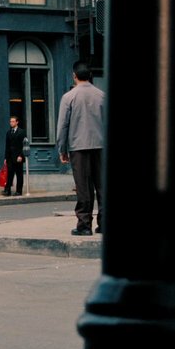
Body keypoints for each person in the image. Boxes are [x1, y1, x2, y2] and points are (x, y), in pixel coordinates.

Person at [56, 61, 105, 236]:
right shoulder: (102, 95)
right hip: (101, 146)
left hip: (78, 147)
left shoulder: (69, 97)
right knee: (102, 185)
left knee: (83, 186)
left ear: (74, 75)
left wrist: (62, 148)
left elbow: (63, 125)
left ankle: (84, 225)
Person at [3, 115, 27, 196]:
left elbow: (24, 145)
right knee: (9, 174)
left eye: (13, 121)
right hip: (10, 157)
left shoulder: (22, 132)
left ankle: (19, 191)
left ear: (17, 122)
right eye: (10, 121)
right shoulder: (8, 132)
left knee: (19, 174)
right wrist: (6, 158)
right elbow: (7, 146)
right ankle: (7, 190)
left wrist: (21, 155)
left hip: (18, 157)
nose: (11, 123)